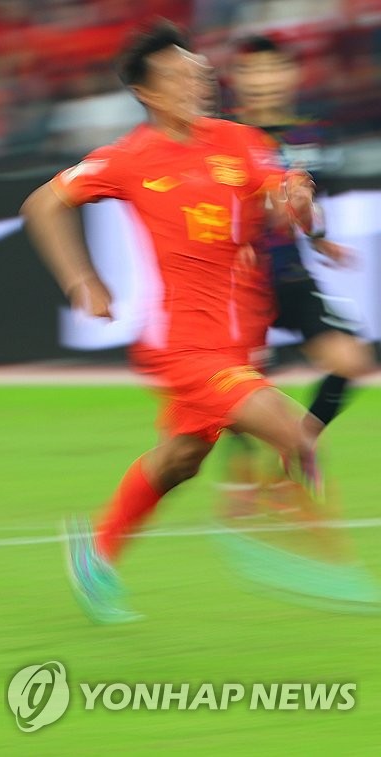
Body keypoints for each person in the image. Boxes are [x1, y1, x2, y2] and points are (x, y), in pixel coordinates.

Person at [20, 22, 326, 624]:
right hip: (184, 346)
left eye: (200, 73)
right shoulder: (129, 157)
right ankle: (307, 559)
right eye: (182, 77)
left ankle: (97, 553)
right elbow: (43, 203)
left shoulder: (240, 142)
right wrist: (81, 279)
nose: (199, 83)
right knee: (298, 433)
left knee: (182, 460)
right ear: (150, 94)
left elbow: (289, 208)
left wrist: (298, 201)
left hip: (237, 344)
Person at [216, 34, 372, 518]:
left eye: (271, 69)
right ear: (238, 81)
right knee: (236, 384)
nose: (262, 80)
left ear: (289, 76)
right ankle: (242, 475)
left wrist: (321, 237)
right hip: (235, 282)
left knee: (350, 359)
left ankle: (297, 445)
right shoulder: (218, 136)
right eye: (252, 71)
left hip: (290, 275)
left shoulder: (311, 137)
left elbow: (311, 202)